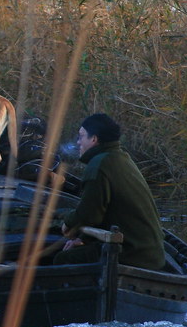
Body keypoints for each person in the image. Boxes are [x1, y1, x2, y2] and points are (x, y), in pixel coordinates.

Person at [53, 113, 165, 270]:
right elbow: (103, 212)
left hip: (130, 255)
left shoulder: (98, 165)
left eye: (81, 137)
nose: (78, 142)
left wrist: (68, 223)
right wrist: (85, 239)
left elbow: (89, 215)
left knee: (62, 258)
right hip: (153, 256)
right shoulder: (122, 158)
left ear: (94, 139)